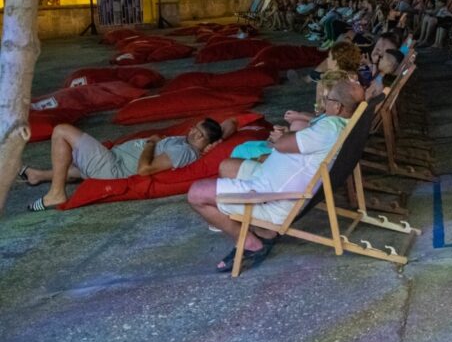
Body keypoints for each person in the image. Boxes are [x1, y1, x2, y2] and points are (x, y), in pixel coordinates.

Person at [188, 80, 365, 272]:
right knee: (227, 166)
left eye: (328, 99)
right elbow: (302, 138)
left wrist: (283, 136)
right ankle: (263, 230)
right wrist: (290, 134)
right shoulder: (343, 123)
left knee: (196, 194)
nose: (325, 102)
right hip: (269, 178)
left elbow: (281, 144)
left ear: (337, 107)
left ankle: (250, 243)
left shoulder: (328, 128)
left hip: (273, 197)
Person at [22, 117, 229, 211]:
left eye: (199, 134)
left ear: (203, 142)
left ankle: (56, 193)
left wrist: (151, 143)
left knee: (61, 130)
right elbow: (231, 123)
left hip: (112, 168)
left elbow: (144, 170)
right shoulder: (188, 142)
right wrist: (217, 140)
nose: (193, 132)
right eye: (195, 128)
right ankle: (38, 175)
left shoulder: (184, 151)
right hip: (112, 159)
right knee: (76, 168)